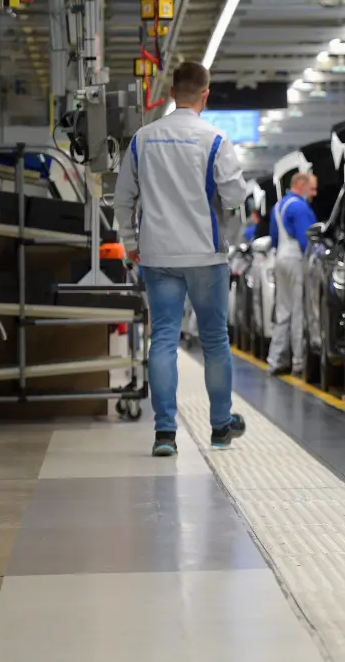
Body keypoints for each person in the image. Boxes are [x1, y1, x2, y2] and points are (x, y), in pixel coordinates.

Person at [113, 61, 249, 457]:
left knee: (164, 340)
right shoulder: (216, 139)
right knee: (214, 341)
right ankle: (221, 427)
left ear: (171, 92)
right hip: (206, 255)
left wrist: (130, 242)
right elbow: (236, 198)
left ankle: (164, 434)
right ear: (205, 95)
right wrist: (230, 235)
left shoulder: (143, 139)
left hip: (158, 255)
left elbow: (123, 198)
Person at [267, 172, 318, 376]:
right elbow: (307, 239)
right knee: (298, 310)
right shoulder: (299, 207)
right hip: (296, 258)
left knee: (283, 310)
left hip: (281, 257)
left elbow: (273, 237)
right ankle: (298, 361)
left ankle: (276, 358)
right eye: (312, 188)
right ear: (300, 184)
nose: (314, 193)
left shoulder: (279, 206)